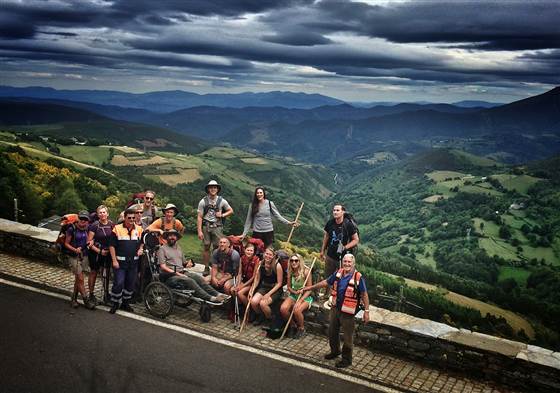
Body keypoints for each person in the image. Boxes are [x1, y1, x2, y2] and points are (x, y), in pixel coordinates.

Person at [300, 254, 369, 368]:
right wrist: (310, 288)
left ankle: (346, 360)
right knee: (332, 331)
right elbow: (326, 282)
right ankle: (335, 351)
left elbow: (364, 294)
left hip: (348, 311)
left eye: (349, 262)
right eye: (345, 261)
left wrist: (366, 311)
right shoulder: (338, 273)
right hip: (335, 308)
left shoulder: (358, 277)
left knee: (347, 337)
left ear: (353, 264)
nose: (346, 264)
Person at [157, 229, 229, 304]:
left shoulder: (178, 248)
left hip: (182, 273)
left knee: (199, 278)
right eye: (170, 235)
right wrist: (178, 274)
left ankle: (218, 294)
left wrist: (188, 264)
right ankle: (210, 298)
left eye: (174, 236)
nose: (172, 237)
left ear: (176, 238)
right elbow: (163, 266)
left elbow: (183, 263)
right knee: (190, 281)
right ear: (167, 237)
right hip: (169, 276)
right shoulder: (162, 249)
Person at [108, 206, 144, 314]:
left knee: (130, 284)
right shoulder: (117, 229)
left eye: (133, 218)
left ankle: (125, 303)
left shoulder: (139, 229)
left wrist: (141, 249)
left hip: (133, 262)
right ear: (124, 217)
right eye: (129, 218)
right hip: (120, 262)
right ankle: (115, 303)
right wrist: (114, 260)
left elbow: (142, 242)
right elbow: (111, 246)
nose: (132, 220)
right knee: (118, 283)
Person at [320, 203, 359, 297]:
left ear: (343, 212)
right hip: (330, 255)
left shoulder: (348, 225)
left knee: (343, 277)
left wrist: (345, 247)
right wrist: (322, 250)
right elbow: (326, 236)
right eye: (334, 210)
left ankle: (340, 297)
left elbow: (356, 240)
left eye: (338, 210)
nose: (335, 212)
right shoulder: (330, 223)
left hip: (343, 257)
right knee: (328, 276)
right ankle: (327, 295)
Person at [197, 180, 233, 276]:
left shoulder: (222, 201)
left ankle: (216, 267)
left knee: (218, 247)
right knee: (206, 246)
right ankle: (206, 267)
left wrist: (222, 215)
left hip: (217, 226)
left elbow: (230, 210)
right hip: (206, 226)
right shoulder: (203, 201)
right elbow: (199, 216)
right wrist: (199, 230)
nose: (213, 189)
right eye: (211, 187)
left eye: (215, 187)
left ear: (217, 189)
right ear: (208, 189)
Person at [64, 210, 95, 309]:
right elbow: (66, 243)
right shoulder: (71, 228)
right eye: (81, 218)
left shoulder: (88, 228)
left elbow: (92, 239)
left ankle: (74, 299)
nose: (83, 221)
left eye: (85, 219)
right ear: (78, 219)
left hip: (84, 255)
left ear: (88, 221)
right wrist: (75, 249)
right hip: (73, 256)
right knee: (80, 278)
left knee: (78, 279)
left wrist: (91, 242)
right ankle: (86, 301)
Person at [86, 205, 114, 306]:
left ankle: (106, 294)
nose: (102, 214)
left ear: (107, 214)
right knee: (94, 272)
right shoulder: (95, 225)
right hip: (95, 253)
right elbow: (88, 242)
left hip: (107, 253)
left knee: (106, 273)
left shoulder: (111, 224)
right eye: (100, 213)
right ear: (98, 215)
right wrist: (99, 251)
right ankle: (91, 294)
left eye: (104, 212)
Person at [280, 253, 313, 339]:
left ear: (300, 261)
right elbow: (289, 287)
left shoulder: (306, 271)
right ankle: (293, 325)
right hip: (294, 294)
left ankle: (301, 328)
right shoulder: (290, 271)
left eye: (296, 260)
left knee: (297, 310)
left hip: (305, 296)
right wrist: (295, 292)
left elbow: (309, 289)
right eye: (291, 261)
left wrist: (301, 300)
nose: (293, 262)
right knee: (283, 309)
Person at [250, 247, 283, 325]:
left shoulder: (277, 266)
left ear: (274, 256)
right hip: (264, 287)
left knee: (263, 304)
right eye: (267, 254)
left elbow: (279, 283)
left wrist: (268, 294)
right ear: (264, 254)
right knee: (253, 302)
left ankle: (269, 318)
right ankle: (261, 315)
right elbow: (257, 279)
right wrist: (252, 290)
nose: (268, 256)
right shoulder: (260, 263)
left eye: (270, 255)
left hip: (275, 289)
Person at [231, 243, 260, 310]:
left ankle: (249, 309)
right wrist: (238, 284)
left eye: (251, 251)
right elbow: (240, 273)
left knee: (240, 293)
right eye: (248, 250)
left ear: (253, 252)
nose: (249, 252)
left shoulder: (256, 260)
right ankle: (240, 306)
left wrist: (242, 286)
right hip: (244, 279)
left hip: (251, 282)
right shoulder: (242, 258)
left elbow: (254, 277)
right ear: (244, 250)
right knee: (233, 290)